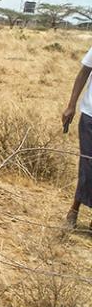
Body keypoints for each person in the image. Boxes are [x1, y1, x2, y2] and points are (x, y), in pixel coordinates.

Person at [62, 46, 92, 231]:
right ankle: (74, 210)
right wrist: (71, 105)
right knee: (88, 164)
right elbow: (83, 74)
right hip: (90, 116)